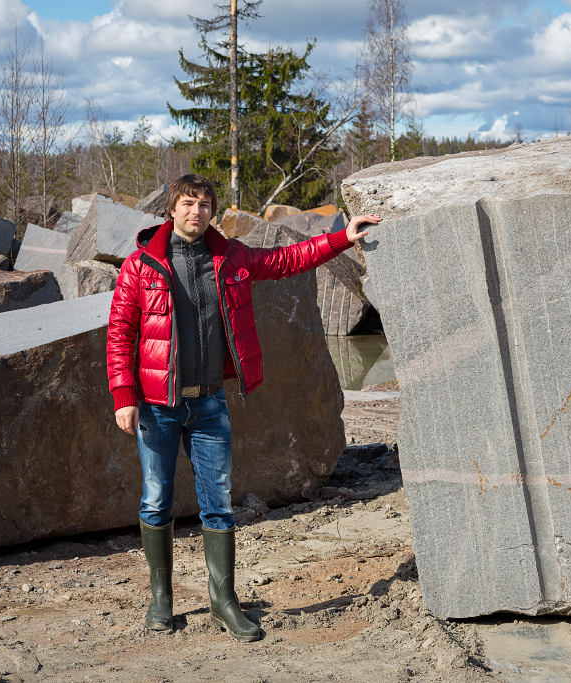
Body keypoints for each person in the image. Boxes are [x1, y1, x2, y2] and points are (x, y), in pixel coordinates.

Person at [107, 173, 379, 642]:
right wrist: (123, 396)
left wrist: (341, 237)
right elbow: (119, 336)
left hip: (209, 403)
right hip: (157, 406)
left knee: (219, 505)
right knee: (155, 498)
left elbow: (288, 258)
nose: (197, 212)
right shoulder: (140, 266)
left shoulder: (231, 257)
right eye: (188, 203)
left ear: (213, 212)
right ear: (171, 209)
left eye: (205, 205)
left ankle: (223, 601)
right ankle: (161, 598)